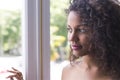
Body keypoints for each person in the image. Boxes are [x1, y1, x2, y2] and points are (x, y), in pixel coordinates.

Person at [62, 0, 120, 80]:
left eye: (81, 30)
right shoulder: (67, 71)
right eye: (69, 29)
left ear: (102, 32)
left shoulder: (116, 75)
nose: (71, 38)